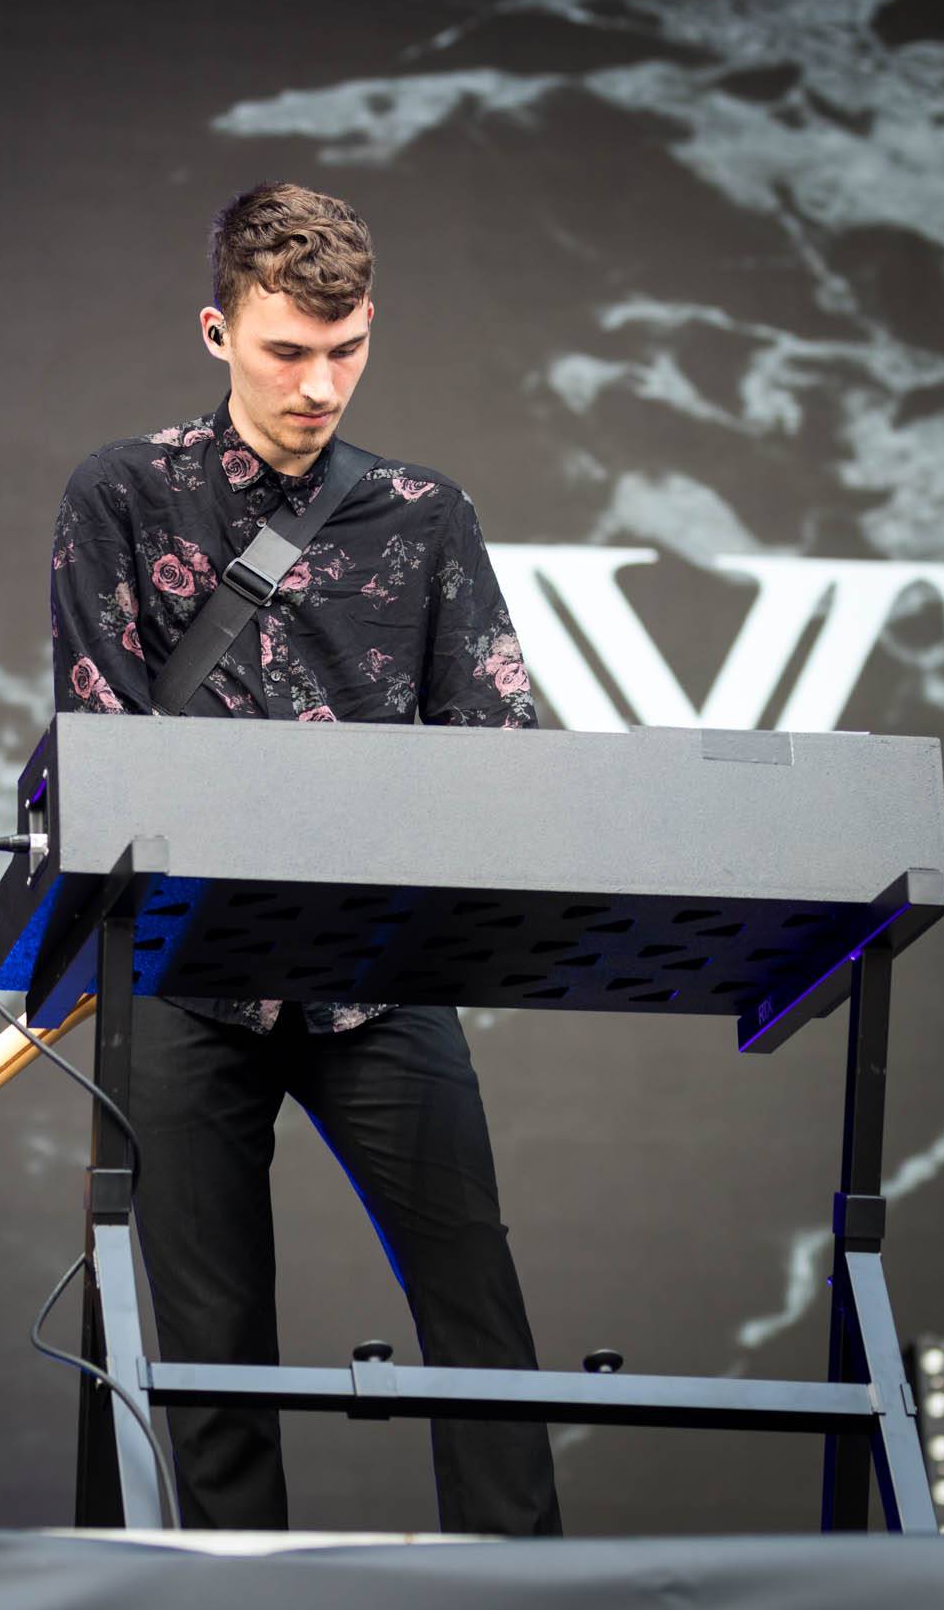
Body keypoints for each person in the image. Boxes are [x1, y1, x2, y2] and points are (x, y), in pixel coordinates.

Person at [49, 181, 560, 1535]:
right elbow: (99, 734)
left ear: (372, 329)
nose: (318, 384)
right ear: (216, 329)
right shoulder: (123, 493)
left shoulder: (424, 513)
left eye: (347, 350)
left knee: (479, 1312)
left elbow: (502, 737)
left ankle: (524, 1586)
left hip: (376, 973)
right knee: (207, 1352)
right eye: (287, 350)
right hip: (180, 973)